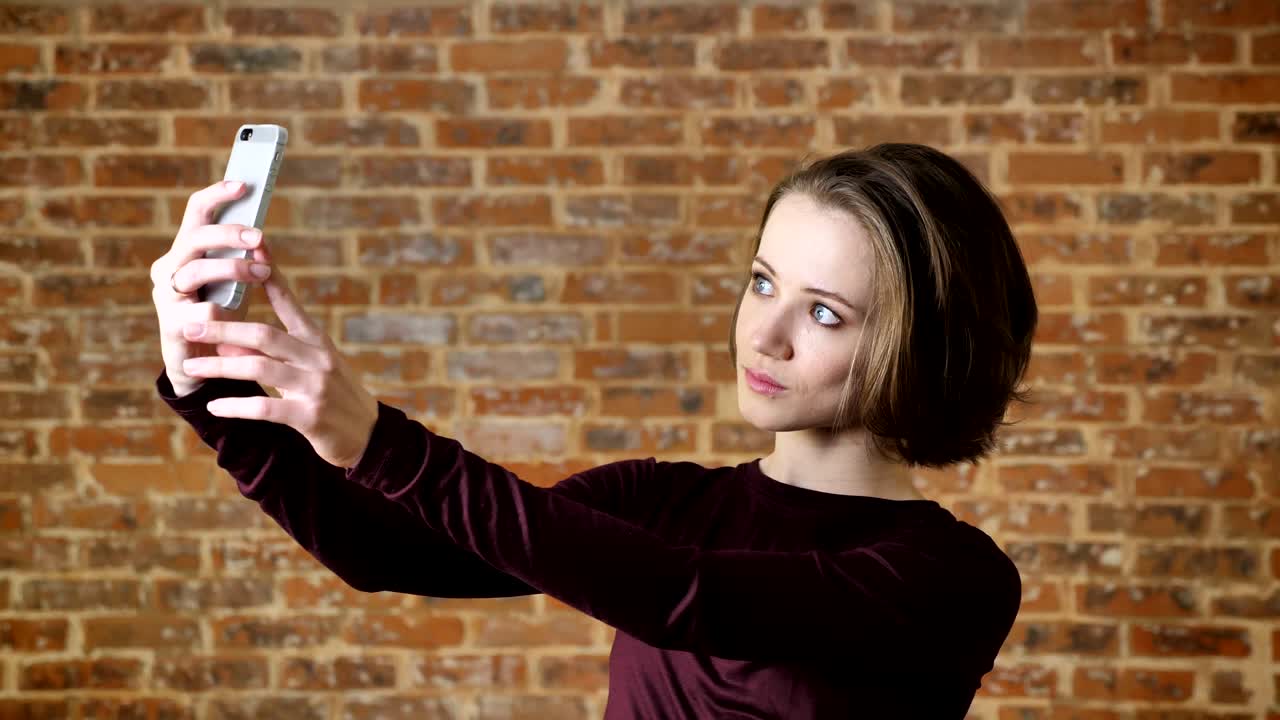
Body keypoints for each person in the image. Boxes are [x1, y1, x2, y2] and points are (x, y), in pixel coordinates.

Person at [152, 142, 1037, 718]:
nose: (763, 335)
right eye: (764, 283)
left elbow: (690, 599)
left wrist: (381, 442)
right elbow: (395, 552)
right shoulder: (663, 500)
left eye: (827, 314)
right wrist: (213, 383)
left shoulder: (949, 580)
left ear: (922, 347)